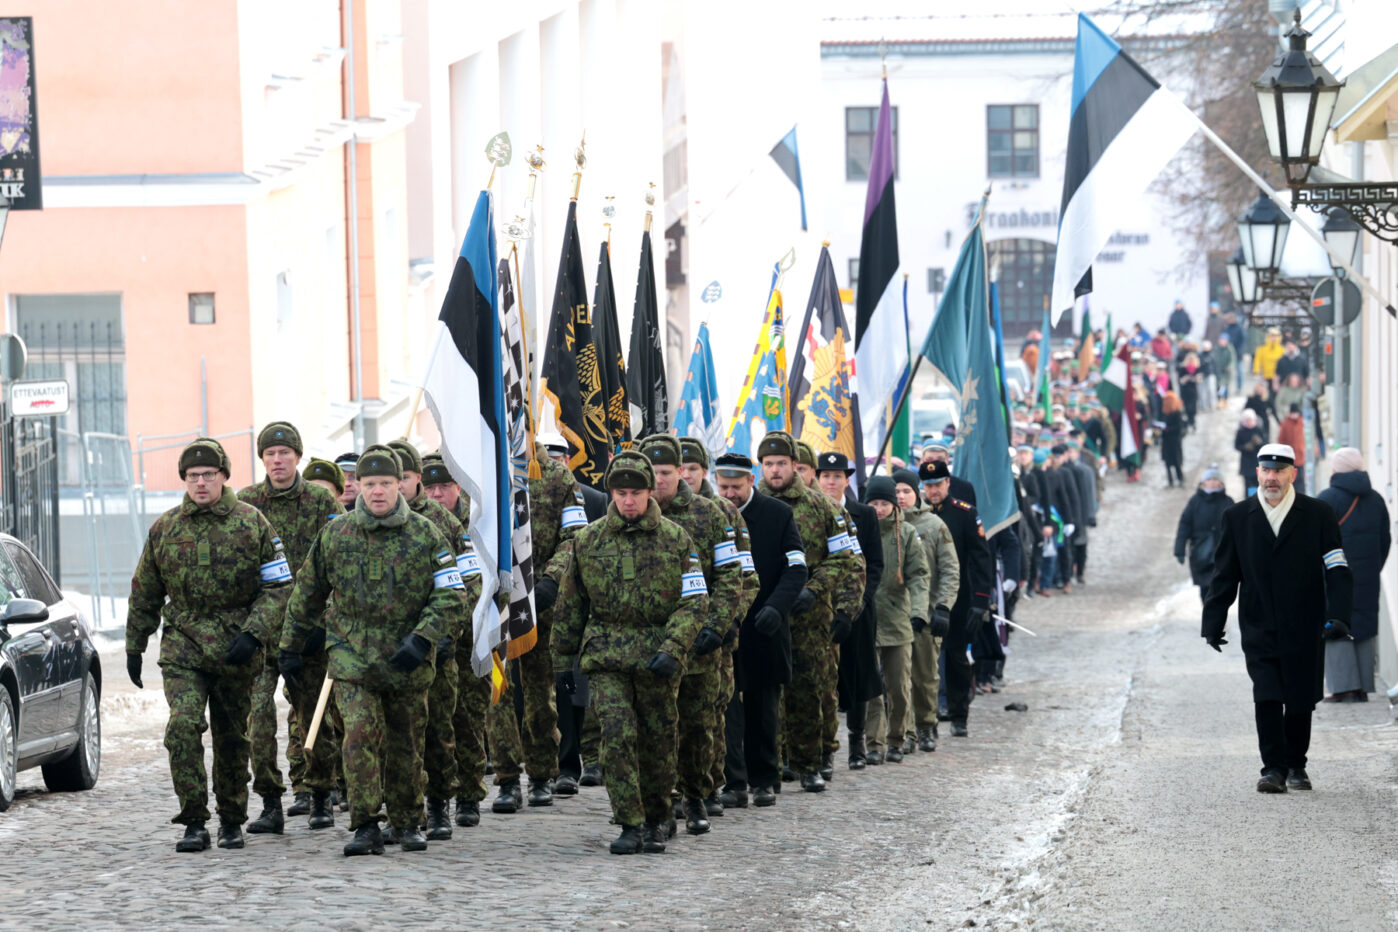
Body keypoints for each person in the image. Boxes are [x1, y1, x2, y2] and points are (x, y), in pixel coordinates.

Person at [279, 445, 463, 855]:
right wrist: (289, 646)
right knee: (359, 736)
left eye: (385, 483)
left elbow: (452, 593)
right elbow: (307, 593)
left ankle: (407, 820)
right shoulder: (336, 534)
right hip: (352, 657)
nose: (377, 492)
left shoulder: (425, 534)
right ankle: (365, 823)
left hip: (406, 658)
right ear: (357, 487)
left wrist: (423, 638)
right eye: (369, 484)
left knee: (406, 742)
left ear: (400, 484)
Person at [125, 438, 291, 853]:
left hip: (237, 646)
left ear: (223, 477)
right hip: (184, 647)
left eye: (209, 475)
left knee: (233, 738)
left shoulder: (253, 523)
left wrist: (254, 633)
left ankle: (232, 819)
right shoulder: (165, 528)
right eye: (193, 476)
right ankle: (194, 819)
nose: (201, 483)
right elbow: (145, 590)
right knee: (182, 727)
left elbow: (278, 587)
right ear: (184, 479)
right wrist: (135, 643)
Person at [551, 451, 708, 854]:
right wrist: (562, 661)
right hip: (607, 656)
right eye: (620, 493)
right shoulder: (588, 540)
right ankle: (630, 821)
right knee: (617, 736)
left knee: (657, 740)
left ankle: (658, 816)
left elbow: (694, 602)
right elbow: (571, 606)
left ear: (650, 492)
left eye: (636, 493)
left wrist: (674, 647)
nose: (628, 502)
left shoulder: (677, 540)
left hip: (657, 657)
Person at [1202, 443, 1354, 793]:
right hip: (1258, 622)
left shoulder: (1318, 513)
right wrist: (1213, 621)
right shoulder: (1237, 517)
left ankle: (1296, 764)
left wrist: (1341, 614)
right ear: (1257, 473)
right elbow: (1225, 574)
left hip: (1305, 621)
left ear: (1292, 475)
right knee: (1267, 694)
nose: (1272, 478)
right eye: (1266, 471)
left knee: (1300, 697)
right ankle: (1272, 768)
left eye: (1280, 471)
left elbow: (1337, 566)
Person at [238, 422, 344, 836]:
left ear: (298, 457)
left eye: (284, 453)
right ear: (262, 459)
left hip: (309, 633)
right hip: (263, 633)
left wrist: (325, 622)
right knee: (258, 720)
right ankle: (269, 801)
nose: (277, 460)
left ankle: (320, 793)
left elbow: (340, 562)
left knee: (314, 717)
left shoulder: (321, 500)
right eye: (270, 454)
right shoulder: (246, 503)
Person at [636, 434, 743, 835]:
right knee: (656, 729)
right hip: (651, 644)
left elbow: (733, 576)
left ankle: (697, 795)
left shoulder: (710, 515)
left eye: (666, 472)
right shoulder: (631, 516)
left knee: (698, 726)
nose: (659, 480)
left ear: (681, 472)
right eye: (653, 473)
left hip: (699, 643)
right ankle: (659, 804)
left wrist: (717, 625)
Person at [756, 431, 862, 792]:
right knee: (767, 693)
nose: (775, 470)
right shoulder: (749, 506)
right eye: (768, 464)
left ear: (797, 468)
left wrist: (814, 591)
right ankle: (773, 761)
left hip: (811, 617)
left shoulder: (825, 508)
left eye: (783, 464)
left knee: (810, 690)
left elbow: (844, 558)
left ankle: (809, 762)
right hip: (764, 615)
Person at [492, 441, 589, 813]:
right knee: (498, 694)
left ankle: (541, 773)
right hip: (496, 599)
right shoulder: (491, 471)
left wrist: (551, 578)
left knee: (538, 696)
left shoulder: (558, 477)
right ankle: (505, 779)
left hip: (541, 603)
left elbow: (574, 536)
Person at [385, 439, 469, 842]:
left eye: (402, 477)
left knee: (436, 729)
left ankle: (438, 804)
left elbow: (465, 581)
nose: (396, 486)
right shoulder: (368, 518)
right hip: (385, 650)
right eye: (389, 478)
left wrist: (445, 631)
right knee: (393, 734)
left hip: (433, 645)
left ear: (416, 477)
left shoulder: (443, 523)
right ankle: (401, 808)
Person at [713, 452, 807, 809]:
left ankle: (765, 778)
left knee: (763, 708)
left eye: (736, 487)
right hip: (726, 627)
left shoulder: (778, 515)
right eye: (723, 487)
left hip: (765, 626)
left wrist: (777, 606)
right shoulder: (710, 513)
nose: (730, 495)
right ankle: (734, 782)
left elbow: (796, 567)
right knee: (726, 710)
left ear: (751, 481)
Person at [678, 437, 757, 814]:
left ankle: (711, 785)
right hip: (673, 635)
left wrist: (727, 621)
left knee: (711, 712)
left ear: (701, 472)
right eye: (682, 469)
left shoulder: (723, 512)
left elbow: (746, 577)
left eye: (692, 469)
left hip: (715, 635)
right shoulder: (655, 511)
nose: (686, 476)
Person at [420, 454, 490, 828]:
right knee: (435, 723)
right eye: (429, 487)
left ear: (458, 487)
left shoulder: (473, 520)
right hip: (429, 640)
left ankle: (469, 794)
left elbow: (472, 585)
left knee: (467, 719)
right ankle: (437, 796)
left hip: (467, 637)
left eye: (443, 487)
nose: (435, 494)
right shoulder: (418, 523)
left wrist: (452, 631)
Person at [814, 451, 882, 772]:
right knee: (825, 679)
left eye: (837, 476)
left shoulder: (864, 514)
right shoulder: (809, 513)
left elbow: (875, 565)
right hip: (819, 610)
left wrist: (860, 602)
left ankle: (857, 742)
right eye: (825, 476)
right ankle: (824, 746)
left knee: (857, 676)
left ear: (846, 480)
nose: (830, 481)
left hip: (857, 609)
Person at [921, 461, 993, 738]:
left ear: (948, 483)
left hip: (959, 600)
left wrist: (980, 600)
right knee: (925, 659)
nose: (933, 490)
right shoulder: (918, 514)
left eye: (938, 484)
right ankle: (929, 716)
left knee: (955, 658)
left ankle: (959, 713)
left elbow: (980, 559)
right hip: (924, 598)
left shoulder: (965, 513)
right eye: (928, 486)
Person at [861, 476, 929, 765]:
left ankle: (897, 738)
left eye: (884, 503)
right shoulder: (858, 531)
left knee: (899, 688)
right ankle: (874, 743)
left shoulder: (908, 534)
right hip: (867, 619)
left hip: (899, 620)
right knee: (872, 690)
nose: (879, 509)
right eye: (873, 503)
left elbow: (919, 575)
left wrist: (919, 612)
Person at [1317, 448, 1391, 702]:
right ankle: (1362, 687)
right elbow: (1385, 540)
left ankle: (1343, 687)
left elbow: (1316, 541)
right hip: (1368, 575)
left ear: (1335, 470)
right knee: (1363, 623)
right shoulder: (1377, 500)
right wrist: (1373, 567)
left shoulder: (1327, 499)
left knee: (1335, 622)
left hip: (1335, 574)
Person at [893, 468, 959, 753]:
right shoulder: (883, 523)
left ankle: (926, 724)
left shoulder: (934, 525)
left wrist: (943, 606)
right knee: (897, 679)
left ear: (916, 493)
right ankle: (905, 731)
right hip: (893, 614)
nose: (901, 497)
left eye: (906, 491)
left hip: (926, 613)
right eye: (895, 492)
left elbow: (949, 569)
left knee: (924, 677)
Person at [1175, 467, 1234, 603]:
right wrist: (1179, 550)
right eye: (1209, 479)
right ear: (1203, 483)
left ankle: (1216, 619)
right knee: (1206, 591)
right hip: (1200, 554)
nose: (1212, 482)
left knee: (1221, 590)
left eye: (1215, 479)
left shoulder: (1228, 502)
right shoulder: (1195, 502)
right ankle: (1210, 619)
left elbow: (1237, 529)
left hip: (1223, 554)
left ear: (1221, 483)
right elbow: (1184, 525)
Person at [1276, 403, 1307, 494]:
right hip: (1289, 457)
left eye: (1295, 413)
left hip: (1300, 456)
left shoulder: (1303, 422)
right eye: (1292, 413)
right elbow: (1281, 440)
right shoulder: (1285, 424)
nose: (1294, 415)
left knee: (1300, 479)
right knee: (1290, 479)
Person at [1234, 410, 1266, 497]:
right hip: (1246, 463)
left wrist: (1259, 443)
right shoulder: (1241, 431)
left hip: (1257, 462)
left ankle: (1258, 501)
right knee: (1248, 486)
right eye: (1247, 420)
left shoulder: (1258, 430)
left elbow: (1265, 445)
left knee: (1259, 485)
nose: (1249, 422)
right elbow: (1236, 446)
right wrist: (1245, 447)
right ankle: (1249, 502)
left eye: (1251, 420)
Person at [1161, 392, 1185, 487]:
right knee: (1167, 462)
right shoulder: (1165, 413)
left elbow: (1179, 428)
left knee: (1176, 462)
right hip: (1166, 441)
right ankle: (1170, 480)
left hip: (1174, 441)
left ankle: (1180, 478)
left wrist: (1168, 429)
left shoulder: (1177, 413)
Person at [1213, 333, 1236, 406]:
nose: (1221, 341)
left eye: (1223, 340)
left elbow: (1232, 359)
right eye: (1220, 340)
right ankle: (1219, 400)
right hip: (1219, 370)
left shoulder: (1229, 349)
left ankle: (1225, 399)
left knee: (1225, 386)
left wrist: (1230, 366)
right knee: (1219, 386)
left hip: (1227, 372)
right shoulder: (1216, 348)